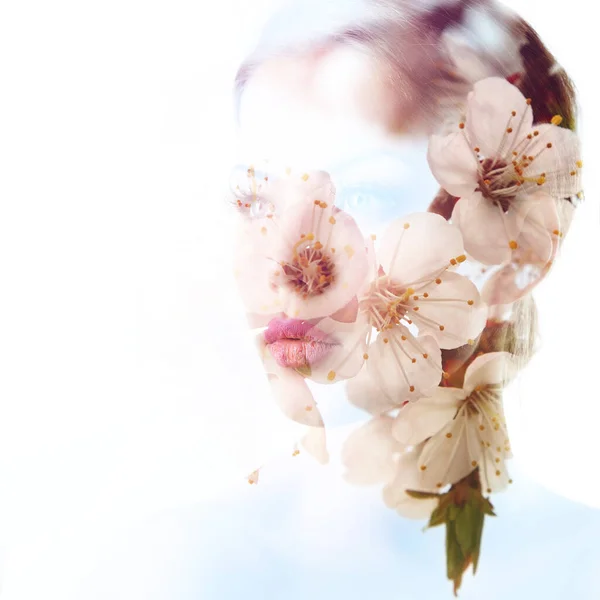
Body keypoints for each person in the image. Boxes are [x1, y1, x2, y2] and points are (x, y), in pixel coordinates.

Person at [228, 0, 584, 591]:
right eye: (256, 204)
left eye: (364, 195)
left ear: (522, 250)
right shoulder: (168, 564)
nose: (284, 263)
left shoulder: (576, 571)